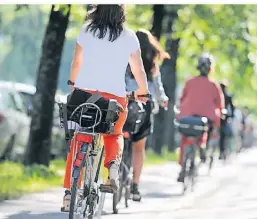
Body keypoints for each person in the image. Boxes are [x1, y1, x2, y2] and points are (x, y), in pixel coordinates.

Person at [61, 5, 149, 211]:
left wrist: (73, 81)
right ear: (121, 13)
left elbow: (77, 62)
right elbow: (139, 69)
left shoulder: (87, 30)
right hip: (113, 98)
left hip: (83, 96)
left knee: (79, 137)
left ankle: (67, 194)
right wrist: (143, 91)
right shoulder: (129, 37)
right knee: (113, 133)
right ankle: (113, 170)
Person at [125, 29, 169, 201]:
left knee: (119, 136)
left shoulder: (126, 56)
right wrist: (163, 100)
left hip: (126, 101)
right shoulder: (152, 64)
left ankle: (113, 173)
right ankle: (135, 185)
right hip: (145, 104)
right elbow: (158, 87)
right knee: (139, 146)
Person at [177, 53, 224, 182]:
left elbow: (182, 98)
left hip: (187, 115)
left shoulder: (189, 81)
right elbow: (220, 104)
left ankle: (182, 166)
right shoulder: (214, 85)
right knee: (204, 132)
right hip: (206, 117)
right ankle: (202, 148)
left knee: (185, 139)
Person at [219, 80, 235, 159]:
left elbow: (232, 107)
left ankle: (222, 151)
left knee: (223, 134)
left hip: (223, 117)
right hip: (219, 116)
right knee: (222, 134)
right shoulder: (218, 94)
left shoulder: (227, 96)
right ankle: (221, 151)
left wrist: (231, 116)